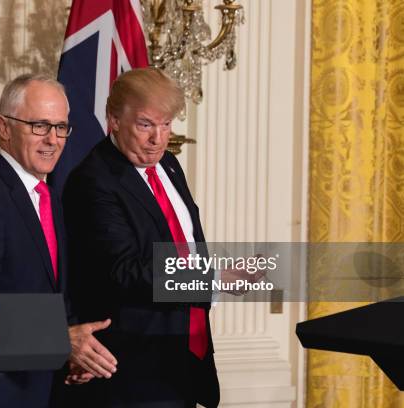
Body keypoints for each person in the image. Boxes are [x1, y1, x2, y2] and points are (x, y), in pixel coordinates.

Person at [59, 67, 259, 408]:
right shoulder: (94, 180)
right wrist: (211, 278)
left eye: (166, 124)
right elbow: (125, 271)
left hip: (184, 354)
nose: (159, 138)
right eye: (145, 125)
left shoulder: (167, 165)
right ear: (113, 120)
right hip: (134, 368)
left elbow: (184, 246)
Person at [0, 74, 116, 408]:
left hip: (43, 387)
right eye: (39, 125)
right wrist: (59, 341)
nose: (53, 139)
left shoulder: (46, 196)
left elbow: (51, 295)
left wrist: (71, 353)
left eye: (61, 127)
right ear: (4, 127)